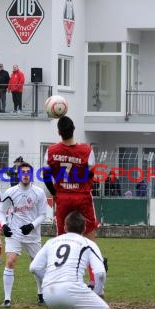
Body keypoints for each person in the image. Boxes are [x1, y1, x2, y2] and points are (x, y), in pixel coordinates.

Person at [29, 211, 126, 309]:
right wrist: (98, 293)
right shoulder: (88, 243)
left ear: (65, 227)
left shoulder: (52, 242)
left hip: (48, 291)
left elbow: (34, 267)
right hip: (71, 287)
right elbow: (100, 273)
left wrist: (48, 280)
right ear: (84, 228)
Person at [43, 116, 100, 287]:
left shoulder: (51, 151)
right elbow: (92, 175)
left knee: (61, 239)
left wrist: (56, 193)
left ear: (59, 132)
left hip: (63, 197)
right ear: (74, 128)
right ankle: (93, 280)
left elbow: (46, 177)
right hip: (82, 196)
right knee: (90, 239)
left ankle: (63, 278)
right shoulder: (87, 150)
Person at [0, 162, 47, 308]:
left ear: (31, 175)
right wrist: (4, 225)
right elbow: (1, 211)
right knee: (11, 261)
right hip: (14, 233)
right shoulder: (10, 192)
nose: (25, 175)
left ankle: (41, 295)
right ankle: (7, 299)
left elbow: (43, 214)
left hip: (32, 234)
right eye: (23, 172)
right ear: (19, 175)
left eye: (28, 172)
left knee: (38, 266)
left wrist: (32, 225)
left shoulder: (39, 192)